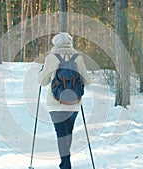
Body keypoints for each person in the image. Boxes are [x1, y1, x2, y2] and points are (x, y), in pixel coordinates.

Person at [38, 32, 90, 169]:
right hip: (74, 103)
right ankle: (66, 161)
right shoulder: (77, 57)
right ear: (70, 42)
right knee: (68, 132)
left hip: (55, 103)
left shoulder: (51, 57)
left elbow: (42, 81)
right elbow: (87, 81)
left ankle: (65, 164)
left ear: (55, 43)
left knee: (61, 133)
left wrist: (42, 71)